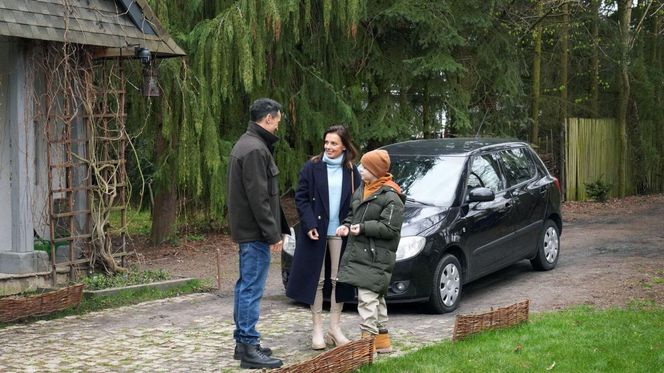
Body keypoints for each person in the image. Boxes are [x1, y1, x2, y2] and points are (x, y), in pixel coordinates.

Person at [227, 98, 290, 369]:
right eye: (277, 120)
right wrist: (272, 234)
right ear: (267, 119)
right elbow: (259, 198)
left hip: (250, 232)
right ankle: (249, 347)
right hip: (254, 233)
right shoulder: (254, 149)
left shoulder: (250, 144)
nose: (278, 125)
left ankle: (244, 343)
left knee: (246, 286)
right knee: (251, 288)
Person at [286, 125, 361, 350]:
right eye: (326, 142)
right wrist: (308, 224)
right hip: (316, 232)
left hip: (340, 233)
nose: (328, 147)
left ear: (344, 146)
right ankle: (317, 328)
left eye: (334, 143)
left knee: (340, 280)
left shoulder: (351, 171)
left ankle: (334, 328)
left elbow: (356, 201)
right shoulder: (312, 167)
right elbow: (300, 198)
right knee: (316, 281)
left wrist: (348, 225)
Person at [336, 149, 405, 354]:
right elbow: (352, 214)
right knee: (376, 297)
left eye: (364, 168)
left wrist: (364, 228)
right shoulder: (362, 189)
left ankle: (367, 346)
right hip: (362, 254)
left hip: (377, 257)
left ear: (376, 171)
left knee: (367, 298)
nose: (360, 170)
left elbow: (391, 229)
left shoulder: (392, 197)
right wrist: (347, 226)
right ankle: (382, 342)